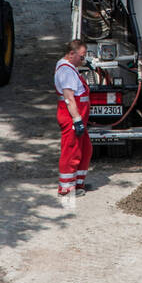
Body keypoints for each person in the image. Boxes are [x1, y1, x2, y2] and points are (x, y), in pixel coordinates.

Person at [55, 39, 92, 196]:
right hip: (71, 118)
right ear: (71, 54)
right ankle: (66, 188)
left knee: (85, 149)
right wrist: (77, 120)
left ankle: (78, 183)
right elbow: (69, 98)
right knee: (71, 152)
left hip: (77, 118)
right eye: (81, 56)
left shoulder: (69, 67)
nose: (83, 60)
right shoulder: (66, 71)